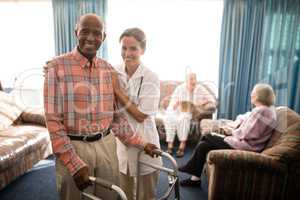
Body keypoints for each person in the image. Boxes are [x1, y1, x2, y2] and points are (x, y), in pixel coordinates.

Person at [44, 14, 158, 200]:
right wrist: (74, 163)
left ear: (103, 37)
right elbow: (53, 123)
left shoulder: (108, 69)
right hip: (74, 146)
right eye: (85, 31)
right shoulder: (56, 67)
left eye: (97, 33)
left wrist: (143, 144)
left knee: (110, 197)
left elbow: (115, 118)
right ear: (76, 32)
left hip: (107, 146)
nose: (90, 37)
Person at [178, 83, 277, 187]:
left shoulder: (261, 111)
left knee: (207, 136)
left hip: (247, 146)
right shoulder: (265, 109)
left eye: (254, 93)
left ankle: (190, 166)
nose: (251, 95)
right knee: (203, 145)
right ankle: (195, 179)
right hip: (245, 143)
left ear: (260, 95)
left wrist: (231, 131)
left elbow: (248, 134)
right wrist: (236, 126)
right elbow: (244, 117)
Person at [112, 28, 162, 200]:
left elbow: (141, 115)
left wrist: (118, 91)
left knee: (145, 196)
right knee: (123, 195)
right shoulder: (114, 72)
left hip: (146, 143)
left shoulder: (151, 77)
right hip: (122, 145)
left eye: (133, 48)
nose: (127, 53)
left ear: (143, 50)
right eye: (124, 48)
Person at [162, 72, 217, 157]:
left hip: (188, 112)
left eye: (194, 79)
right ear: (186, 80)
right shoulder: (180, 88)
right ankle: (170, 144)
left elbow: (212, 100)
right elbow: (173, 102)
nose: (193, 81)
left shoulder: (200, 88)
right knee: (169, 117)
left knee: (184, 118)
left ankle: (182, 144)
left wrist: (198, 105)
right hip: (177, 110)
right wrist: (176, 104)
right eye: (190, 79)